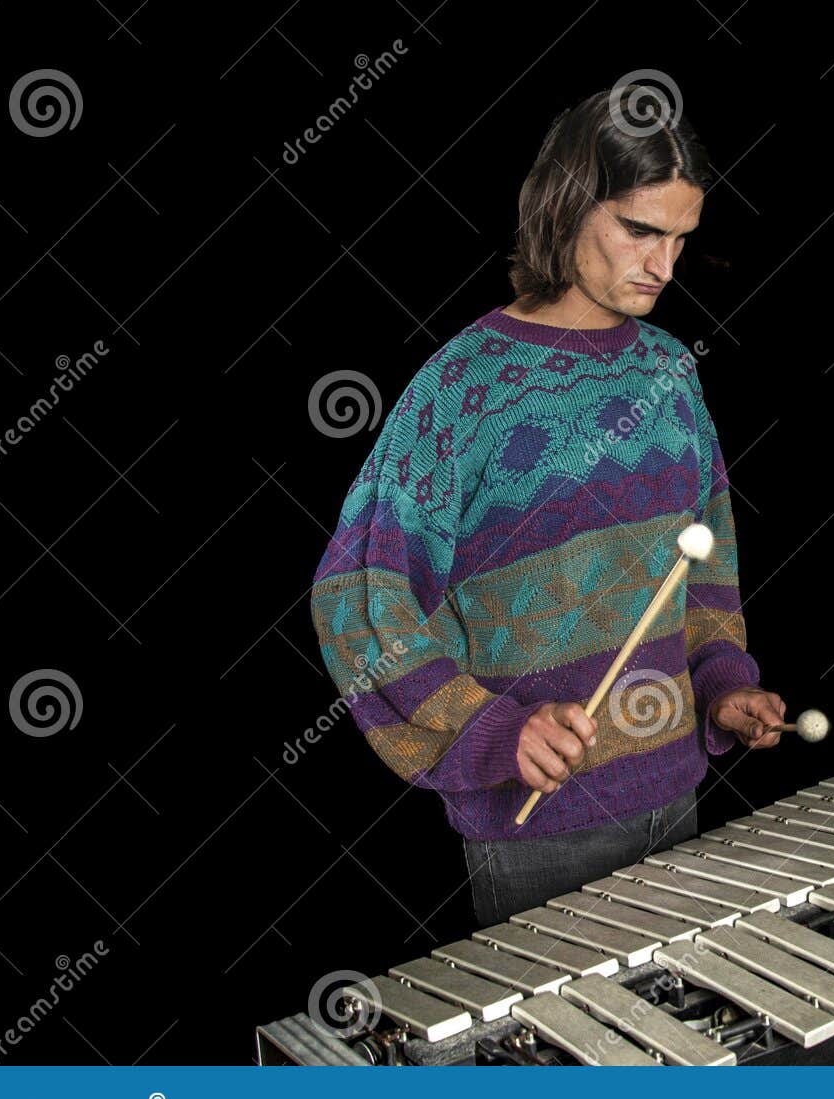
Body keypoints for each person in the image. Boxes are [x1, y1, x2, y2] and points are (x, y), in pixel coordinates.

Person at [308, 84, 786, 925]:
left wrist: (721, 685)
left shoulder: (671, 372)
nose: (663, 267)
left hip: (677, 797)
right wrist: (491, 728)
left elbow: (704, 570)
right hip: (542, 834)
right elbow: (358, 598)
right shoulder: (465, 385)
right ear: (568, 206)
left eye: (681, 239)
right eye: (639, 231)